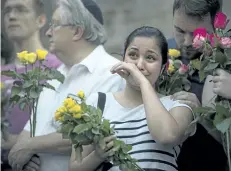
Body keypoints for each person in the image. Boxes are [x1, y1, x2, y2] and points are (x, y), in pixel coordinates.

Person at [8, 0, 124, 171]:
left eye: (54, 25)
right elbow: (27, 133)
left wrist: (31, 146)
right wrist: (22, 155)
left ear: (77, 31)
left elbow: (92, 135)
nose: (47, 33)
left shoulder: (112, 73)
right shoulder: (54, 77)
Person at [69, 26, 196, 171]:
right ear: (123, 58)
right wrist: (98, 155)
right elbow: (74, 168)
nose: (139, 65)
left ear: (163, 68)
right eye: (133, 55)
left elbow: (166, 137)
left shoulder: (178, 104)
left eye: (150, 57)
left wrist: (143, 83)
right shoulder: (98, 103)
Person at [1, 0, 61, 170]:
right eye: (7, 12)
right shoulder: (2, 72)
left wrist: (25, 146)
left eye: (20, 10)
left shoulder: (57, 67)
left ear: (41, 21)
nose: (12, 16)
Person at [168, 0, 227, 170]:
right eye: (179, 31)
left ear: (216, 23)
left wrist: (201, 116)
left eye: (197, 34)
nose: (187, 42)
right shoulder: (161, 54)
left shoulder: (227, 62)